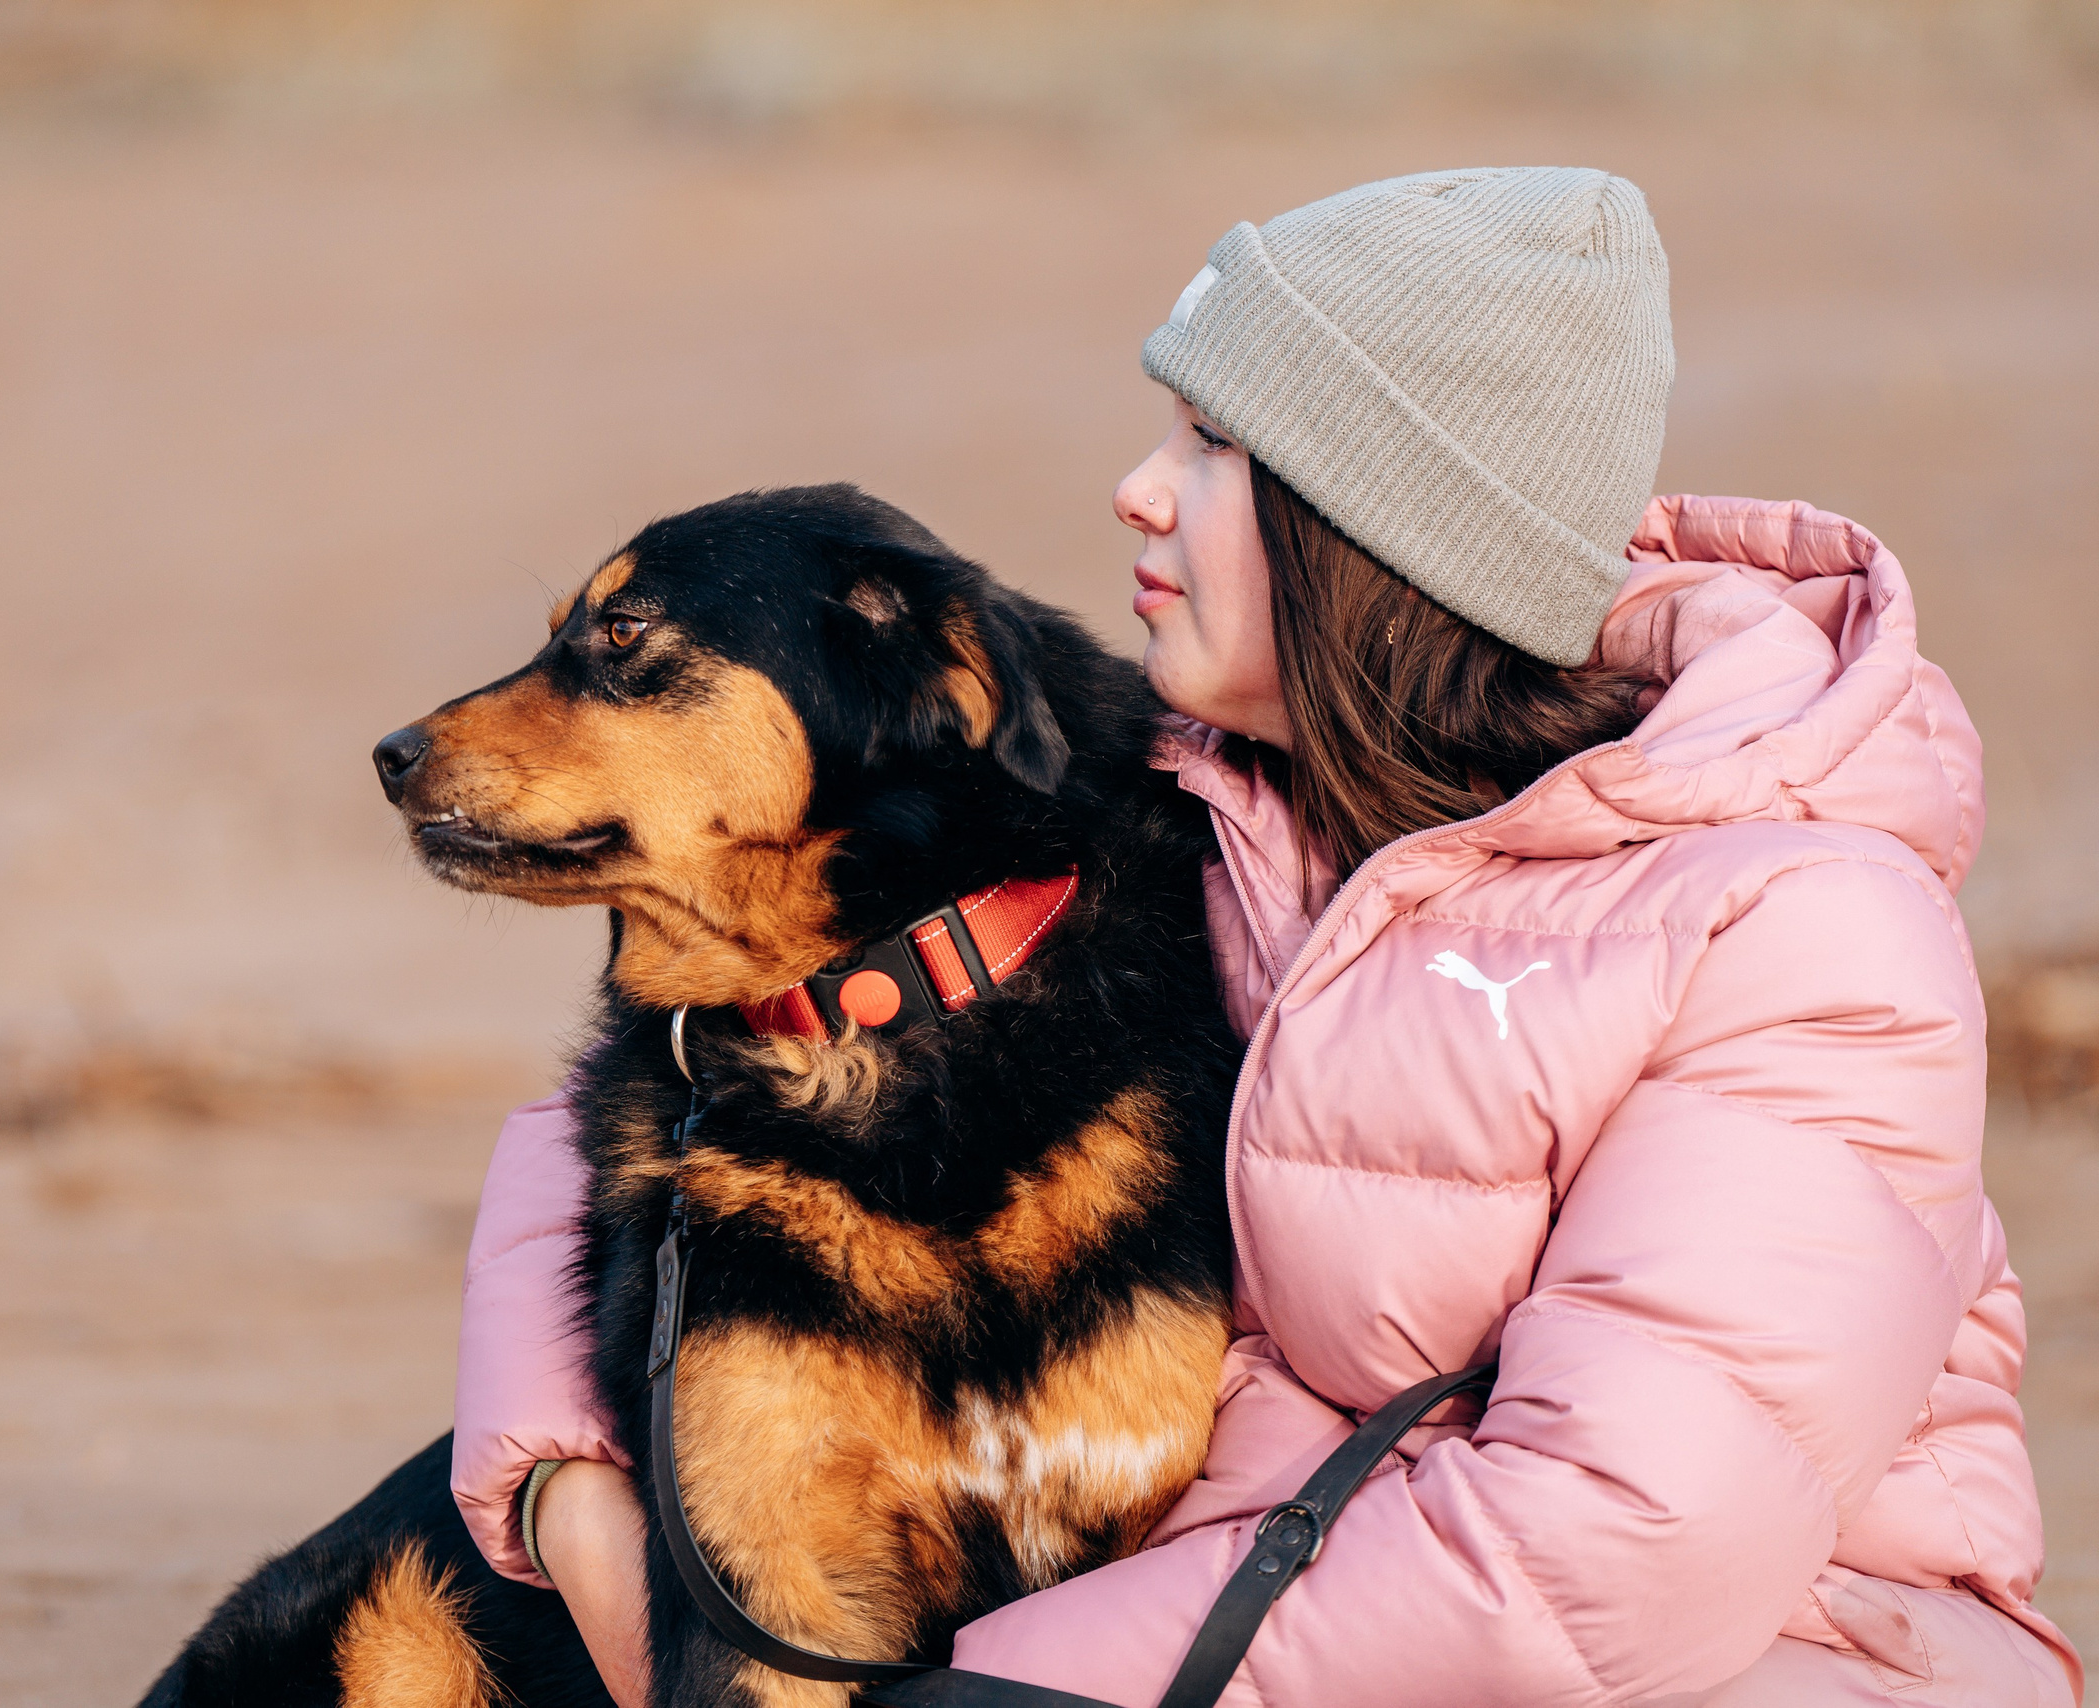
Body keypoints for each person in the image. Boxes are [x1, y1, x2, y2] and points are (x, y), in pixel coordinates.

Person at [444, 168, 2084, 1706]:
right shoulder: (1160, 816)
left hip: (1769, 1664)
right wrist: (576, 1488)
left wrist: (1004, 1689)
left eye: (1212, 442)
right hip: (1235, 1641)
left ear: (1376, 525)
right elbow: (667, 1094)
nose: (1136, 491)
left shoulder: (1800, 931)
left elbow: (1623, 1540)